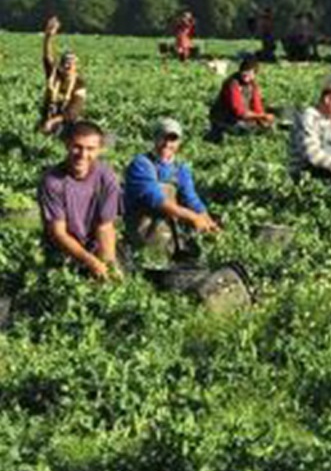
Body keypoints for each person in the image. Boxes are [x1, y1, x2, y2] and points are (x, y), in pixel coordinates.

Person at [123, 118, 220, 267]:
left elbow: (191, 198)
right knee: (148, 262)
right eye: (163, 137)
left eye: (172, 139)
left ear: (179, 143)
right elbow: (155, 200)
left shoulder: (180, 168)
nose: (167, 144)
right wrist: (193, 217)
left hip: (170, 231)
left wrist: (207, 220)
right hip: (142, 230)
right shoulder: (141, 164)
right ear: (155, 138)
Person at [38, 120, 122, 280]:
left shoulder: (107, 177)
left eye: (90, 149)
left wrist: (108, 264)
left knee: (112, 276)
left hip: (95, 245)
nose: (83, 155)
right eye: (77, 147)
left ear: (99, 150)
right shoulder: (52, 181)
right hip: (63, 250)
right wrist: (91, 262)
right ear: (67, 145)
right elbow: (58, 233)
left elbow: (105, 227)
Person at [206, 57, 275, 141]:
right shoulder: (232, 84)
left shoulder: (252, 85)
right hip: (225, 119)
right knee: (249, 130)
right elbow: (239, 111)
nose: (246, 74)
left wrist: (262, 120)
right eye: (244, 71)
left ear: (254, 74)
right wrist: (262, 116)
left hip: (240, 118)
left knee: (266, 128)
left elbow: (257, 107)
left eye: (249, 72)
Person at [39, 16, 87, 135]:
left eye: (71, 64)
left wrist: (52, 122)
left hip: (68, 123)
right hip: (48, 119)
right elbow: (47, 59)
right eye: (65, 63)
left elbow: (73, 112)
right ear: (60, 66)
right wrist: (48, 37)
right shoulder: (55, 76)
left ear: (76, 67)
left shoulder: (79, 84)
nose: (68, 66)